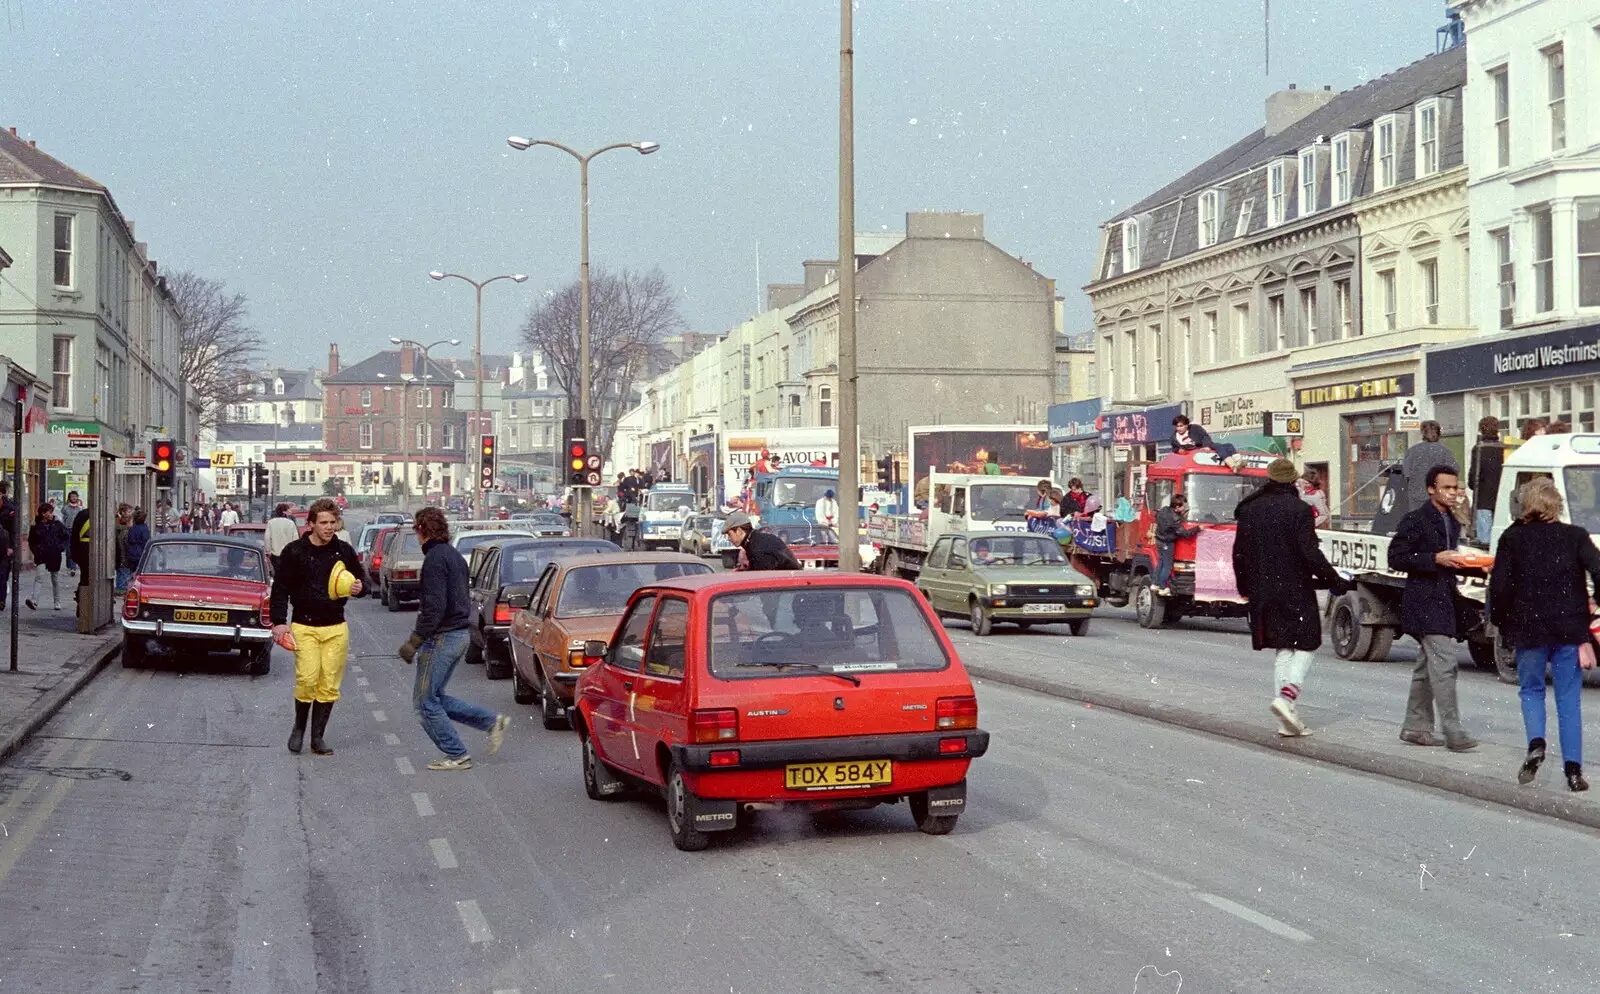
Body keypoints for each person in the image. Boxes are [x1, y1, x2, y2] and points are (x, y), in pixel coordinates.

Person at [1489, 477, 1600, 791]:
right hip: (1569, 629)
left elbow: (1499, 587)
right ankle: (1574, 770)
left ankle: (1536, 743)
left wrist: (1502, 622)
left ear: (1525, 506)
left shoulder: (1512, 538)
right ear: (1557, 506)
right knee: (1568, 699)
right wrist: (1594, 608)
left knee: (1532, 690)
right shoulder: (1575, 536)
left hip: (1529, 629)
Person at [1232, 458, 1352, 737]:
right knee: (1308, 644)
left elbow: (1238, 553)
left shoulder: (1250, 509)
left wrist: (1244, 587)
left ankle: (1287, 718)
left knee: (1283, 648)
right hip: (1295, 588)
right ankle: (1287, 698)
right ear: (1293, 481)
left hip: (1262, 590)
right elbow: (1310, 554)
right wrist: (1335, 581)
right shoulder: (1299, 510)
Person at [397, 506, 508, 771]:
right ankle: (491, 721)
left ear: (421, 530)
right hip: (459, 634)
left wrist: (414, 641)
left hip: (442, 637)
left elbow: (434, 606)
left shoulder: (435, 559)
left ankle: (456, 754)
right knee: (434, 697)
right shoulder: (455, 556)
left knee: (424, 703)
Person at [1387, 466, 1479, 752]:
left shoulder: (1452, 520)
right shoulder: (1416, 519)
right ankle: (1452, 730)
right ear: (1431, 489)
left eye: (1455, 488)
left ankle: (1415, 727)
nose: (1453, 493)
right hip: (1424, 602)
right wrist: (1433, 558)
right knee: (1445, 665)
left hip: (1444, 599)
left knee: (1426, 668)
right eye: (1447, 488)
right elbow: (1396, 557)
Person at [269, 498, 367, 756]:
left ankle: (317, 738)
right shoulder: (294, 551)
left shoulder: (344, 551)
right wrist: (279, 623)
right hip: (304, 625)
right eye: (323, 522)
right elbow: (279, 589)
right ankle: (299, 728)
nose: (329, 527)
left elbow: (361, 581)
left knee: (329, 684)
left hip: (336, 627)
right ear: (310, 524)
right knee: (308, 678)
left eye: (332, 522)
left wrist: (359, 588)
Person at [1401, 420, 1458, 514]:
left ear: (1422, 433)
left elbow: (1406, 473)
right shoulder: (1445, 451)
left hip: (1416, 497)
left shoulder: (1412, 451)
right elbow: (1454, 471)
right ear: (1439, 433)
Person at [1153, 493, 1200, 595]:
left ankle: (1155, 583)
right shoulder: (1175, 519)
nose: (1185, 508)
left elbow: (1156, 515)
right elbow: (1185, 534)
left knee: (1160, 562)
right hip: (1167, 543)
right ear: (1177, 507)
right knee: (1167, 566)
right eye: (1184, 506)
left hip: (1159, 540)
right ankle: (1162, 587)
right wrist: (1198, 528)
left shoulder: (1164, 510)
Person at [722, 511, 800, 570]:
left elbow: (762, 579)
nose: (728, 538)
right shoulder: (757, 540)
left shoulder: (757, 547)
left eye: (729, 534)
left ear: (739, 531)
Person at [1468, 416, 1505, 542]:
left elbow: (1473, 477)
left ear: (1481, 431)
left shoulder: (1479, 448)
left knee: (1485, 540)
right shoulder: (1504, 448)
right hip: (1502, 498)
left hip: (1483, 499)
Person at [25, 503, 68, 611]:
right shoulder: (35, 526)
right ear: (43, 514)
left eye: (51, 511)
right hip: (41, 555)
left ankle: (57, 602)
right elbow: (31, 541)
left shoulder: (57, 524)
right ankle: (34, 601)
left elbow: (66, 537)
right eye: (49, 512)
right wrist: (36, 551)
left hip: (54, 554)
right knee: (39, 577)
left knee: (55, 579)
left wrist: (61, 547)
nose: (51, 514)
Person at [265, 502, 299, 572]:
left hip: (275, 554)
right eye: (288, 510)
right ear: (284, 512)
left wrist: (268, 551)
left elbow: (267, 538)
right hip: (288, 555)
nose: (290, 511)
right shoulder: (291, 523)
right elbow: (296, 539)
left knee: (277, 572)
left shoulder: (271, 522)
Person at [60, 490, 83, 575]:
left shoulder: (80, 508)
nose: (73, 498)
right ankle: (69, 566)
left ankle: (73, 567)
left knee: (74, 548)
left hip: (77, 530)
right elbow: (62, 518)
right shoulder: (65, 508)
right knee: (68, 549)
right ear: (69, 498)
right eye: (72, 496)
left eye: (75, 496)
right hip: (67, 529)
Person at [0, 482, 15, 608]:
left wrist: (11, 546)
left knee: (3, 573)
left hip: (4, 544)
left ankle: (1, 600)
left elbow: (13, 528)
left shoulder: (9, 507)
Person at [113, 504, 132, 593]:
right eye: (128, 512)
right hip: (121, 552)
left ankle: (121, 588)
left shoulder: (124, 523)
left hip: (122, 552)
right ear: (122, 512)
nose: (130, 514)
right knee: (123, 570)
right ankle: (121, 588)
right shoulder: (121, 524)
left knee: (123, 571)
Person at [126, 508, 151, 575]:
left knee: (131, 573)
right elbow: (146, 542)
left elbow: (129, 540)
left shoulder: (132, 529)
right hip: (140, 555)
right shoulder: (144, 529)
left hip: (131, 555)